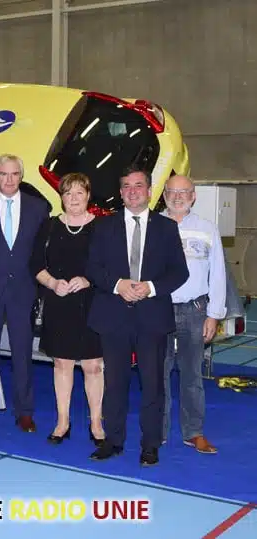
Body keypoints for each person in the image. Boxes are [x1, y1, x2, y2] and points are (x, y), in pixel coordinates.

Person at [86, 167, 189, 466]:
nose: (133, 191)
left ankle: (150, 445)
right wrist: (118, 285)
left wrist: (150, 288)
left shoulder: (166, 228)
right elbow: (92, 268)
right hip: (113, 315)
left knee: (153, 385)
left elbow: (179, 272)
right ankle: (113, 440)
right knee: (114, 383)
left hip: (151, 317)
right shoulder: (103, 226)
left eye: (139, 185)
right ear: (121, 193)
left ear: (149, 190)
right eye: (127, 186)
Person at [0, 155, 48, 433]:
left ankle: (24, 412)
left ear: (21, 176)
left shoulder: (38, 208)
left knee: (22, 353)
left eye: (14, 174)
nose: (9, 179)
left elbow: (41, 253)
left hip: (23, 290)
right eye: (3, 174)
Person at [29, 173, 105, 445]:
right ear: (61, 197)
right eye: (68, 193)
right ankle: (62, 422)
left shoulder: (102, 227)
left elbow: (111, 267)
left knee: (93, 366)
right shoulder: (49, 226)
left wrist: (88, 280)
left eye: (79, 192)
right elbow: (35, 264)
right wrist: (52, 283)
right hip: (59, 303)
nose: (73, 198)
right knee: (62, 364)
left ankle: (96, 422)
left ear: (88, 195)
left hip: (93, 304)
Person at [162, 175, 226, 454]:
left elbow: (218, 274)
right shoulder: (153, 227)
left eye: (184, 192)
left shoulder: (208, 229)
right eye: (172, 192)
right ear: (164, 195)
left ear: (193, 195)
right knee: (157, 375)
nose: (178, 197)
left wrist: (214, 314)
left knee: (192, 376)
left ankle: (194, 432)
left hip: (195, 311)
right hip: (159, 310)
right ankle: (157, 433)